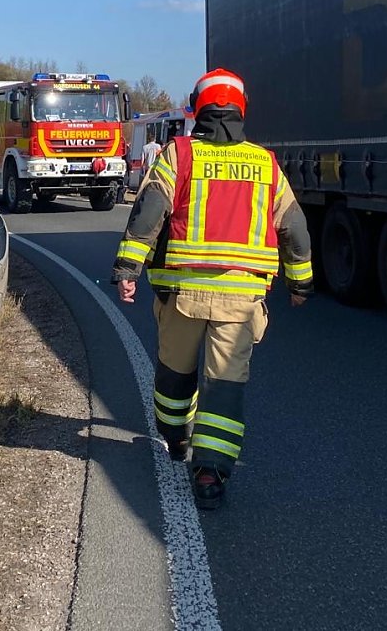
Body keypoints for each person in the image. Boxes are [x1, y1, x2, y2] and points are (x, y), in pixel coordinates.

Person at [111, 68, 313, 510]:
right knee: (224, 386)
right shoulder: (265, 163)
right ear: (241, 109)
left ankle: (176, 439)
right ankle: (211, 473)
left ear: (198, 108)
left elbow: (149, 213)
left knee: (174, 377)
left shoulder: (179, 155)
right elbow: (294, 226)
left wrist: (128, 268)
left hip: (182, 294)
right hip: (241, 302)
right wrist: (301, 283)